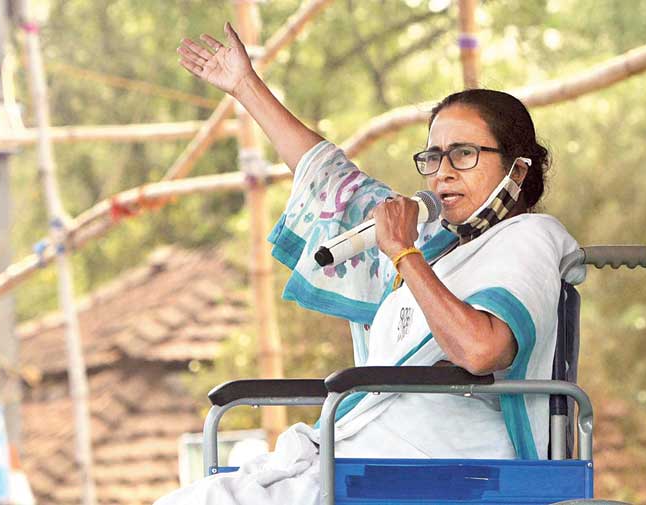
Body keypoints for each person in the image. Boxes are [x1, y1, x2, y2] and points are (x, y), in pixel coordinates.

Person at [159, 23, 578, 504]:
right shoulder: (437, 244)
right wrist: (245, 87)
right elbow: (331, 176)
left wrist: (404, 253)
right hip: (369, 455)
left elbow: (483, 351)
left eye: (464, 154)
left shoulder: (530, 237)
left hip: (444, 463)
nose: (443, 171)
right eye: (434, 156)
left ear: (516, 168)